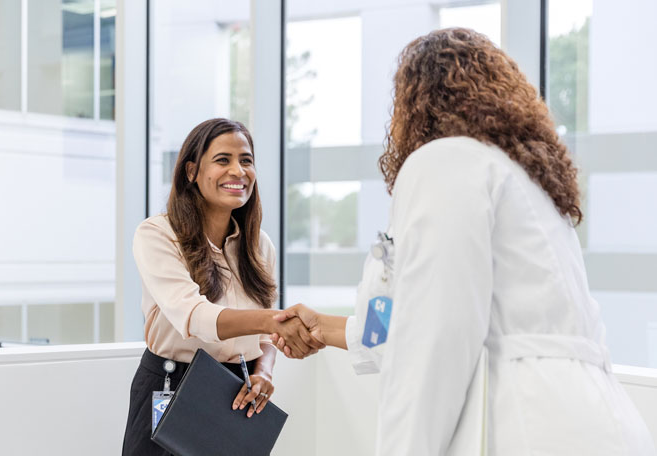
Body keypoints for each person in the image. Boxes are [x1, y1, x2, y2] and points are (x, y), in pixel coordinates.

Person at [272, 28, 656, 455]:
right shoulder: (531, 185)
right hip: (599, 424)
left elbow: (434, 338)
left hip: (531, 426)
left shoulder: (447, 161)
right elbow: (391, 326)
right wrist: (322, 328)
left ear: (414, 104)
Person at [122, 118, 322, 455]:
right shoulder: (157, 234)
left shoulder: (260, 245)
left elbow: (264, 339)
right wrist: (276, 321)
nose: (238, 171)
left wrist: (265, 372)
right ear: (191, 172)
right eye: (222, 160)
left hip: (235, 391)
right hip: (170, 385)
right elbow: (195, 317)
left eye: (246, 160)